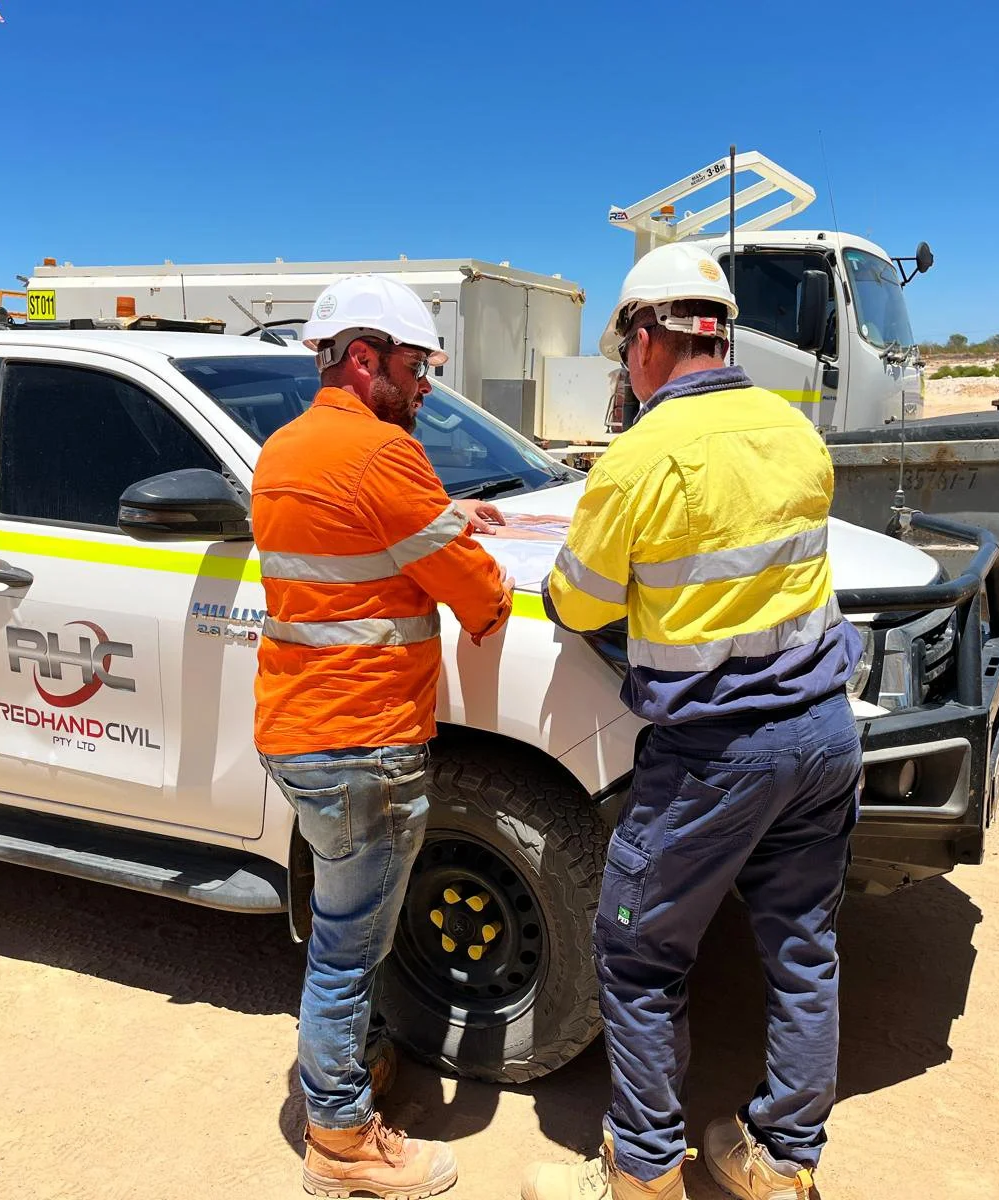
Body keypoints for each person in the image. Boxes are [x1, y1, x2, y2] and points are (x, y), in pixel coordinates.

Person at [522, 243, 864, 1200]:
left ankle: (640, 1170)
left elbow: (582, 602)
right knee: (802, 948)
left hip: (720, 752)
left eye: (623, 347)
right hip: (824, 733)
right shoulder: (795, 432)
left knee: (637, 954)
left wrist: (568, 581)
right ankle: (781, 1162)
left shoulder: (639, 460)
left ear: (644, 339)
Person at [252, 274, 514, 1198]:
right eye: (417, 366)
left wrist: (446, 521)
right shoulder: (382, 457)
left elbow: (366, 542)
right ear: (364, 359)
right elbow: (479, 593)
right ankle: (341, 1140)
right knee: (348, 945)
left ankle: (352, 1065)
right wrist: (482, 571)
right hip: (365, 742)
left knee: (344, 923)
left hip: (299, 733)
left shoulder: (283, 449)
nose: (428, 386)